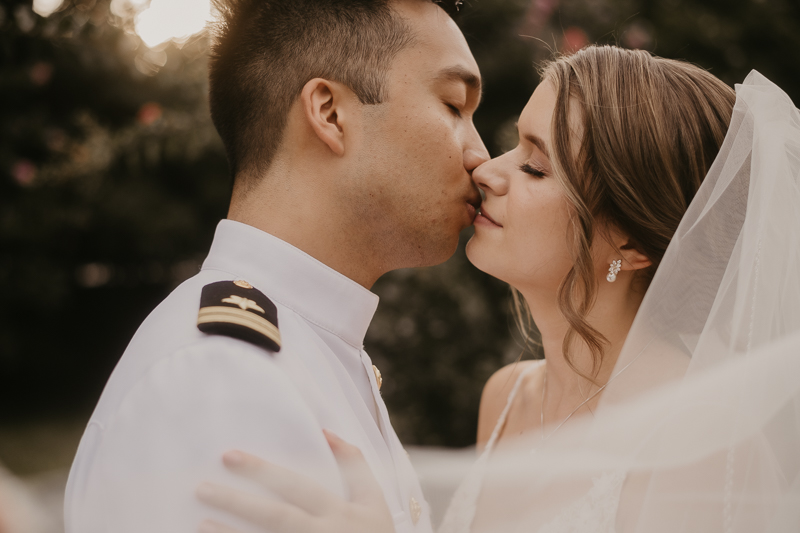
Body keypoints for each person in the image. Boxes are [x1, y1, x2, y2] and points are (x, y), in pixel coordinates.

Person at [195, 46, 800, 532]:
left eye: (535, 166)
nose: (486, 169)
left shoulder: (707, 444)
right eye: (514, 144)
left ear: (631, 245)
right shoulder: (507, 399)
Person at [64, 1, 488, 531]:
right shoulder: (223, 378)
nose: (481, 156)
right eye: (453, 105)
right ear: (330, 113)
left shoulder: (307, 347)